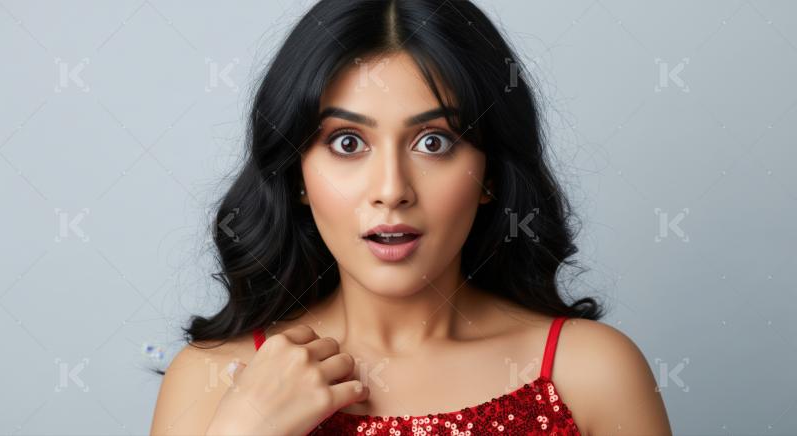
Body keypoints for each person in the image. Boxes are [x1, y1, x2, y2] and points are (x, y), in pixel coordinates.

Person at [151, 1, 672, 434]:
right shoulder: (214, 379)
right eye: (348, 143)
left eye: (433, 142)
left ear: (489, 174)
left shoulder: (591, 374)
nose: (392, 191)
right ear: (296, 175)